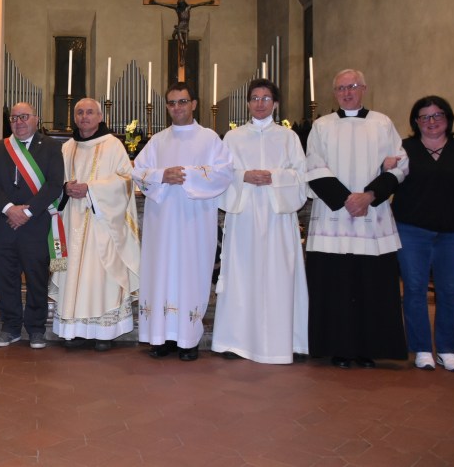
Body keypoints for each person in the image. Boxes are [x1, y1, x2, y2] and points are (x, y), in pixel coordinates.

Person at [305, 69, 408, 369]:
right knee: (336, 287)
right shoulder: (322, 126)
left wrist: (370, 195)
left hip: (371, 217)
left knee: (371, 285)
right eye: (340, 88)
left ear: (363, 88)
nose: (347, 93)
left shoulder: (382, 122)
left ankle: (369, 348)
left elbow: (400, 164)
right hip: (333, 217)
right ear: (334, 92)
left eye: (352, 87)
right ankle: (338, 347)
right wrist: (345, 199)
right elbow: (313, 164)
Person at [133, 83, 233, 361]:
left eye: (182, 102)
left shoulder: (210, 138)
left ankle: (187, 339)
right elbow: (138, 171)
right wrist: (162, 176)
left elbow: (225, 173)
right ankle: (160, 337)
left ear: (194, 104)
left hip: (195, 221)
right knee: (160, 273)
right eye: (172, 103)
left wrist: (187, 175)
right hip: (161, 222)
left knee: (191, 274)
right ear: (167, 107)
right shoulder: (158, 140)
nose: (177, 107)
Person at [212, 79, 308, 364]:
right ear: (248, 103)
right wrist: (243, 176)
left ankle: (285, 341)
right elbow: (220, 174)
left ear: (275, 103)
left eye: (266, 98)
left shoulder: (288, 138)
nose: (260, 103)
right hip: (244, 217)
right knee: (242, 275)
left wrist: (275, 177)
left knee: (280, 275)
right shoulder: (233, 138)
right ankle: (236, 341)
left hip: (278, 218)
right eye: (255, 98)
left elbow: (302, 176)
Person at [391, 96, 454, 372]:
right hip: (411, 232)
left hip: (453, 234)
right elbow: (387, 182)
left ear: (448, 118)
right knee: (415, 291)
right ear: (415, 122)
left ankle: (446, 350)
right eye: (424, 116)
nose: (431, 121)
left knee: (449, 292)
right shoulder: (404, 150)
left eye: (437, 115)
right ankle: (421, 349)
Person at [50, 98, 140, 351]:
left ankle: (104, 331)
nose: (84, 117)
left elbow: (125, 180)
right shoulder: (67, 147)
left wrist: (91, 190)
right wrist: (65, 188)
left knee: (101, 275)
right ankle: (73, 329)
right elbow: (54, 180)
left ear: (100, 117)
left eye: (90, 112)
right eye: (79, 112)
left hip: (103, 224)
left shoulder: (113, 145)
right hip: (70, 222)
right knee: (69, 271)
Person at [0, 102, 64, 349]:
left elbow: (54, 184)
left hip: (36, 223)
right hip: (5, 223)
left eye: (24, 117)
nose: (19, 122)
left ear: (36, 119)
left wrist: (27, 211)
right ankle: (10, 327)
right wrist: (9, 209)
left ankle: (36, 329)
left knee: (37, 277)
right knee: (6, 277)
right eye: (14, 118)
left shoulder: (51, 147)